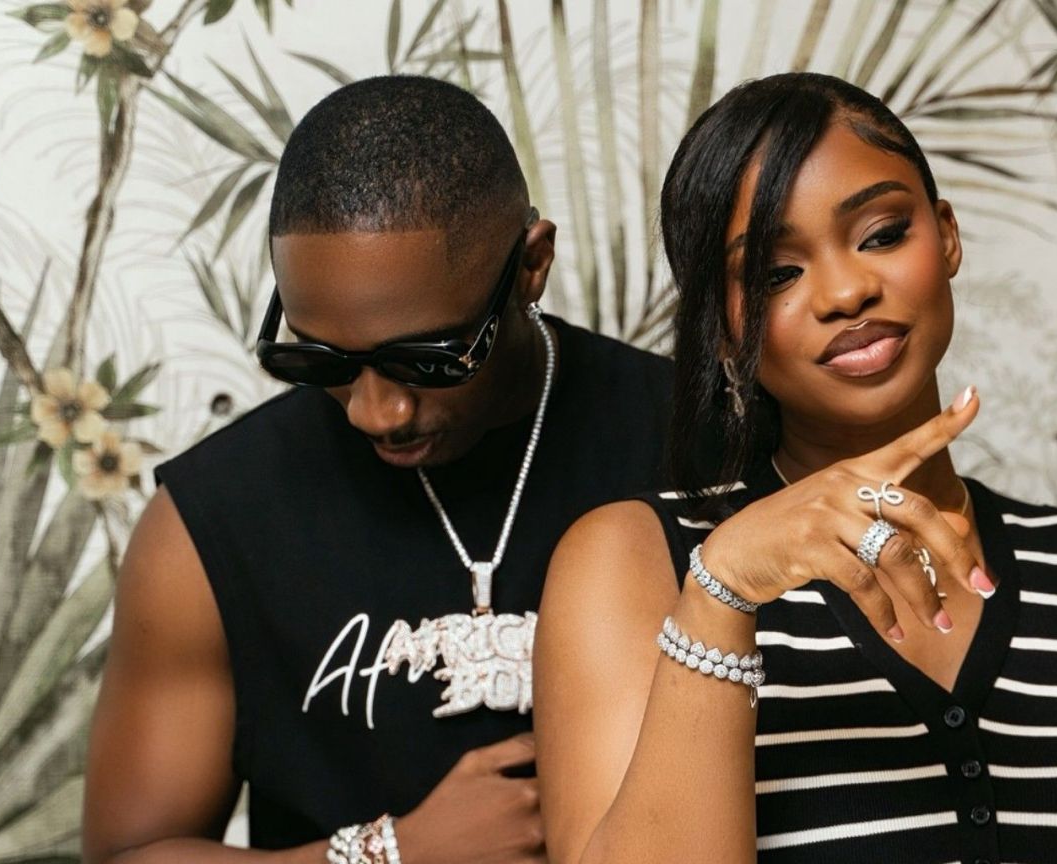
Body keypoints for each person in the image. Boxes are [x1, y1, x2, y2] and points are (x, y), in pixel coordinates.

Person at [534, 72, 1057, 864]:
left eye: (882, 232)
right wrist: (724, 590)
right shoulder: (636, 561)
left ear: (946, 235)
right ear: (719, 328)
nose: (846, 291)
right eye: (776, 275)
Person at [82, 75, 672, 864]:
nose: (376, 412)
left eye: (428, 359)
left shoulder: (697, 445)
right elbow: (130, 856)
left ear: (532, 266)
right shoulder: (209, 523)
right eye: (321, 359)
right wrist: (390, 854)